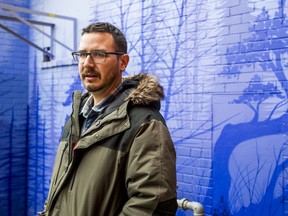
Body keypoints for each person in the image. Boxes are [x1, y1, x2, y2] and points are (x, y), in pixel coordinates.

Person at [39, 22, 177, 216]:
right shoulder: (77, 117)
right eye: (82, 54)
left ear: (123, 62)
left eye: (99, 54)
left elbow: (153, 207)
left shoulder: (144, 124)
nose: (87, 63)